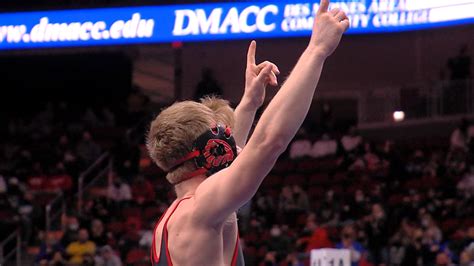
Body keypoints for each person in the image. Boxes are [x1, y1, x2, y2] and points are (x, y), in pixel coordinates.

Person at [146, 1, 349, 264]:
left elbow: (227, 160)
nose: (229, 140)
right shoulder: (201, 209)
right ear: (211, 150)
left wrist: (250, 103)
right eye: (221, 135)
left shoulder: (175, 220)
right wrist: (316, 50)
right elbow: (268, 141)